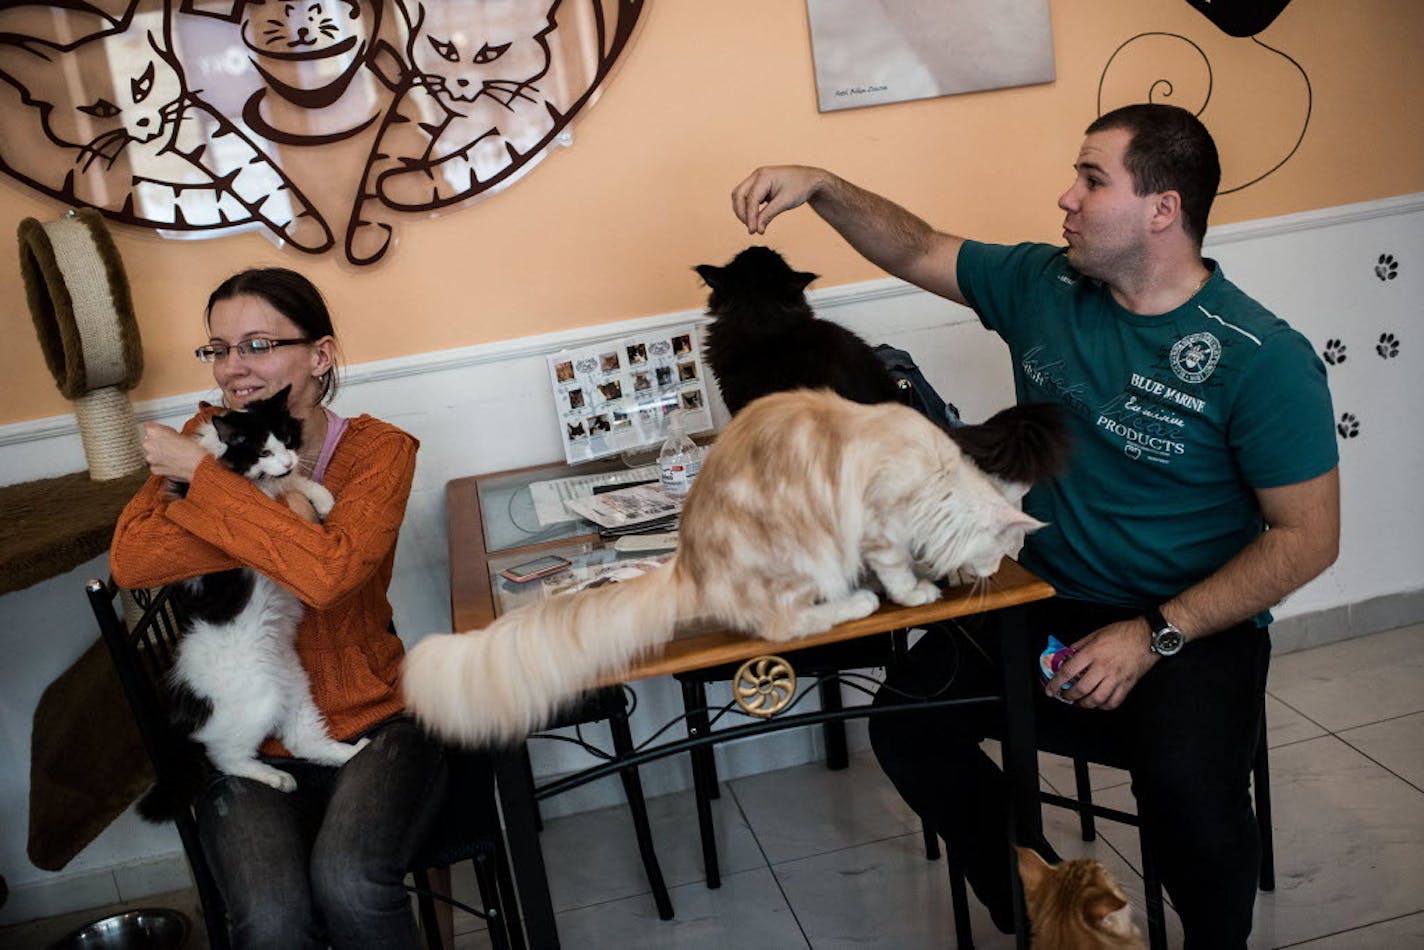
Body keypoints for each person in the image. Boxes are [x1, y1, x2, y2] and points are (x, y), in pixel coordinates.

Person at [730, 103, 1339, 948]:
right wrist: (823, 186)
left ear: (1162, 209)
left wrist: (1151, 634)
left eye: (1093, 179)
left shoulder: (1259, 357)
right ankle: (1050, 909)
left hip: (1191, 622)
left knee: (1190, 797)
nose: (1066, 198)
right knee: (908, 726)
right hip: (1046, 596)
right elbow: (915, 246)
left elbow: (1308, 537)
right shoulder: (1044, 286)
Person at [110, 268, 446, 949]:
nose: (234, 369)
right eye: (219, 349)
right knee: (271, 919)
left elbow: (330, 577)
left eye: (257, 345)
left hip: (374, 716)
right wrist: (279, 513)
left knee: (349, 882)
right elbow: (135, 560)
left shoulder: (378, 453)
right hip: (246, 735)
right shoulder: (203, 432)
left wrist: (205, 486)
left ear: (319, 356)